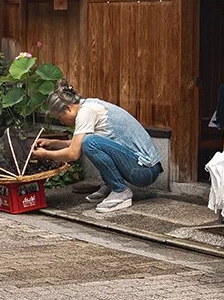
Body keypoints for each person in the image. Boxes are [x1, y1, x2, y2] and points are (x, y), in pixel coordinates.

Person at [31, 80, 163, 213]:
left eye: (60, 117)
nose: (62, 122)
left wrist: (45, 154)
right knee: (89, 142)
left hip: (144, 171)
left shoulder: (85, 112)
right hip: (145, 168)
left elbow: (73, 154)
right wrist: (52, 143)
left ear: (69, 108)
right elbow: (77, 143)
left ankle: (120, 191)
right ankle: (112, 185)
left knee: (90, 143)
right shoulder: (88, 106)